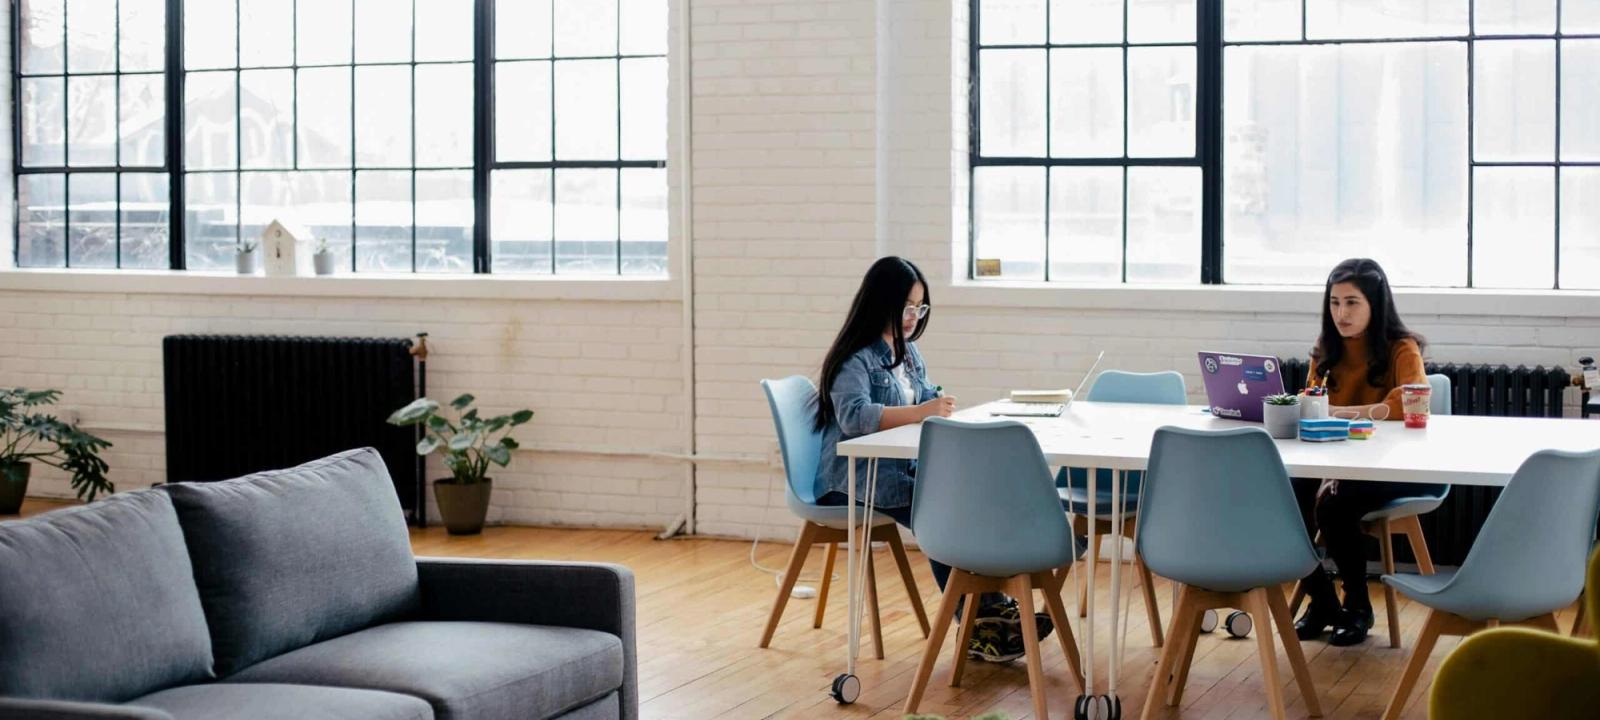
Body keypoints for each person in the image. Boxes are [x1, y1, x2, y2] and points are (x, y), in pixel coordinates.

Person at [811, 256, 1050, 663]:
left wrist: (933, 404)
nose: (912, 317)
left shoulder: (909, 353)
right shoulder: (855, 358)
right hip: (853, 481)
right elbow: (854, 418)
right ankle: (978, 621)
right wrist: (923, 412)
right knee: (943, 512)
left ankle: (988, 611)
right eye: (906, 307)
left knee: (965, 496)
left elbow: (921, 400)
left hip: (899, 470)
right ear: (880, 301)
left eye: (920, 308)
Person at [1293, 258, 1431, 646]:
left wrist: (1341, 412)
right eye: (1335, 302)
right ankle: (1321, 600)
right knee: (1283, 498)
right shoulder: (1325, 349)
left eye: (1352, 302)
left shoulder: (1402, 348)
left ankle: (1357, 606)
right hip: (1332, 459)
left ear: (1375, 304)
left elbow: (1409, 402)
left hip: (1389, 465)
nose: (1341, 313)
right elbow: (1311, 401)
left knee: (1334, 505)